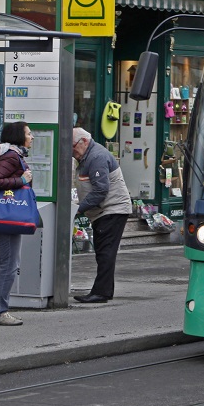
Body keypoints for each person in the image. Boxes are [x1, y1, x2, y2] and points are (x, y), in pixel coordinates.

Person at [72, 127, 132, 303]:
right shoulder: (85, 156)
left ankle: (101, 292)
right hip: (104, 212)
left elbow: (100, 190)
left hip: (111, 210)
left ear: (84, 142)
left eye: (73, 146)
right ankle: (104, 291)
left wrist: (78, 209)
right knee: (103, 251)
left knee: (105, 252)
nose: (72, 151)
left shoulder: (97, 157)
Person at [0, 122, 34, 326]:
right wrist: (21, 180)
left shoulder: (12, 154)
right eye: (29, 133)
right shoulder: (11, 156)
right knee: (9, 265)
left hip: (7, 215)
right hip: (7, 216)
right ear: (18, 137)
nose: (32, 137)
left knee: (3, 265)